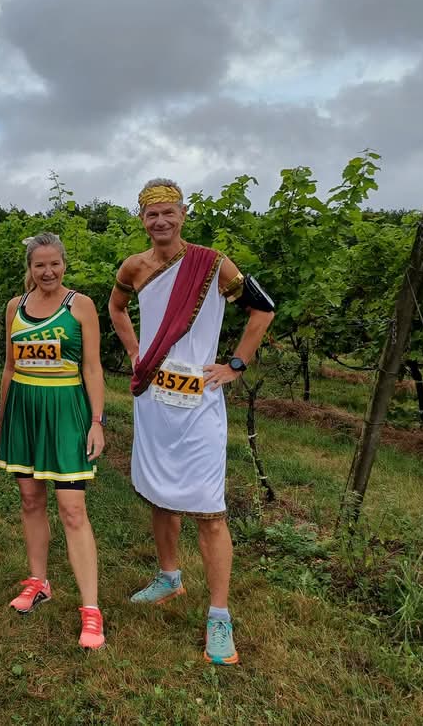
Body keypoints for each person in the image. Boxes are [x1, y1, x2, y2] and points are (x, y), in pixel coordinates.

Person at [108, 178, 275, 666]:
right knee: (161, 493)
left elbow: (262, 311)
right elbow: (117, 308)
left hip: (199, 401)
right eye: (150, 214)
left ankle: (219, 616)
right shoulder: (134, 267)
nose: (160, 221)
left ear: (183, 215)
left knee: (208, 508)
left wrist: (235, 366)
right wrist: (136, 351)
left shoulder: (213, 265)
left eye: (168, 213)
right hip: (155, 399)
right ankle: (169, 578)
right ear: (141, 219)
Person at [0, 232, 107, 650]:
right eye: (39, 265)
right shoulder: (14, 308)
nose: (47, 272)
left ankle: (91, 609)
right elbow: (8, 367)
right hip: (25, 408)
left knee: (72, 508)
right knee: (30, 501)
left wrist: (96, 421)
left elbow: (93, 369)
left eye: (54, 264)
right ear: (30, 267)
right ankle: (39, 581)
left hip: (65, 411)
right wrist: (2, 414)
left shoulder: (80, 306)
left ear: (64, 264)